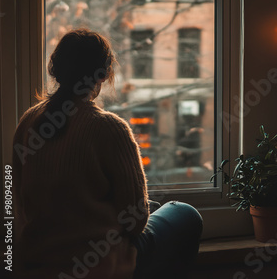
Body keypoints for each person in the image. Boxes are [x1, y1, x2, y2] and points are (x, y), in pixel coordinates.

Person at [12, 28, 202, 279]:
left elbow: (20, 201)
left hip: (38, 263)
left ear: (55, 70)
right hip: (100, 265)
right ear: (103, 75)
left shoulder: (28, 122)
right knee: (184, 213)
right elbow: (135, 222)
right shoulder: (109, 128)